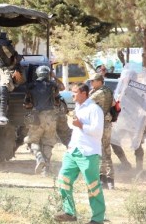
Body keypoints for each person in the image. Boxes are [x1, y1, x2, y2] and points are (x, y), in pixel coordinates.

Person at [54, 83, 105, 224]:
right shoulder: (78, 107)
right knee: (63, 179)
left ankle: (98, 218)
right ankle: (69, 212)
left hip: (88, 153)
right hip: (73, 151)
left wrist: (81, 125)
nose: (72, 95)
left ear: (84, 93)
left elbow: (97, 131)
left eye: (75, 92)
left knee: (92, 186)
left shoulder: (94, 109)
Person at [24, 66, 60, 176]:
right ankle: (46, 170)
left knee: (33, 141)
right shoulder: (52, 85)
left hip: (36, 117)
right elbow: (61, 88)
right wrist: (54, 77)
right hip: (50, 117)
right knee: (48, 142)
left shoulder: (31, 86)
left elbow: (27, 104)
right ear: (48, 74)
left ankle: (39, 158)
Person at [89, 73, 115, 189]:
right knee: (107, 151)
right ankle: (110, 179)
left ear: (99, 81)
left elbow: (86, 103)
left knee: (100, 151)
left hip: (100, 125)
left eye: (93, 81)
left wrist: (90, 92)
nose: (91, 83)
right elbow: (114, 103)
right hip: (107, 124)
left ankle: (102, 177)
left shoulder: (99, 93)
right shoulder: (108, 90)